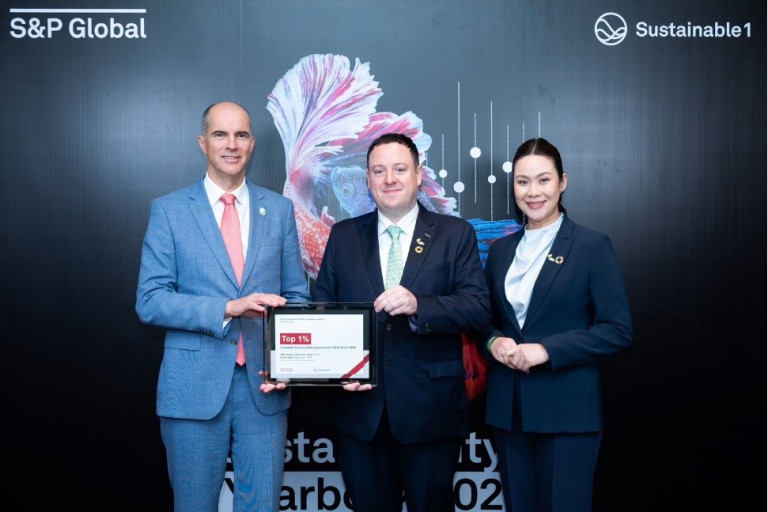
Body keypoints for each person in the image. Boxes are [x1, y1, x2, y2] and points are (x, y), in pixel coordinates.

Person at [136, 101, 310, 512]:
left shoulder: (279, 210)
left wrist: (288, 364)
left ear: (252, 144)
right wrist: (228, 308)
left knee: (262, 506)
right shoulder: (170, 211)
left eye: (241, 135)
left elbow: (297, 297)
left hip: (264, 390)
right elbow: (151, 300)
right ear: (203, 142)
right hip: (192, 390)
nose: (231, 144)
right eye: (220, 134)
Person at [314, 132, 490, 512]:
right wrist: (334, 369)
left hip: (430, 411)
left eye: (399, 169)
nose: (389, 179)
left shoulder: (455, 233)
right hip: (360, 414)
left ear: (418, 174)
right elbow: (322, 310)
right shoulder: (344, 236)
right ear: (368, 179)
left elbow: (477, 308)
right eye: (379, 171)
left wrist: (419, 305)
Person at [482, 137, 633, 512]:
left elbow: (617, 329)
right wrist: (494, 342)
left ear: (562, 182)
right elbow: (485, 321)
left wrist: (548, 350)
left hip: (566, 413)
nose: (533, 192)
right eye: (523, 182)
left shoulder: (591, 246)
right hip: (509, 413)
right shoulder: (501, 251)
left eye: (543, 180)